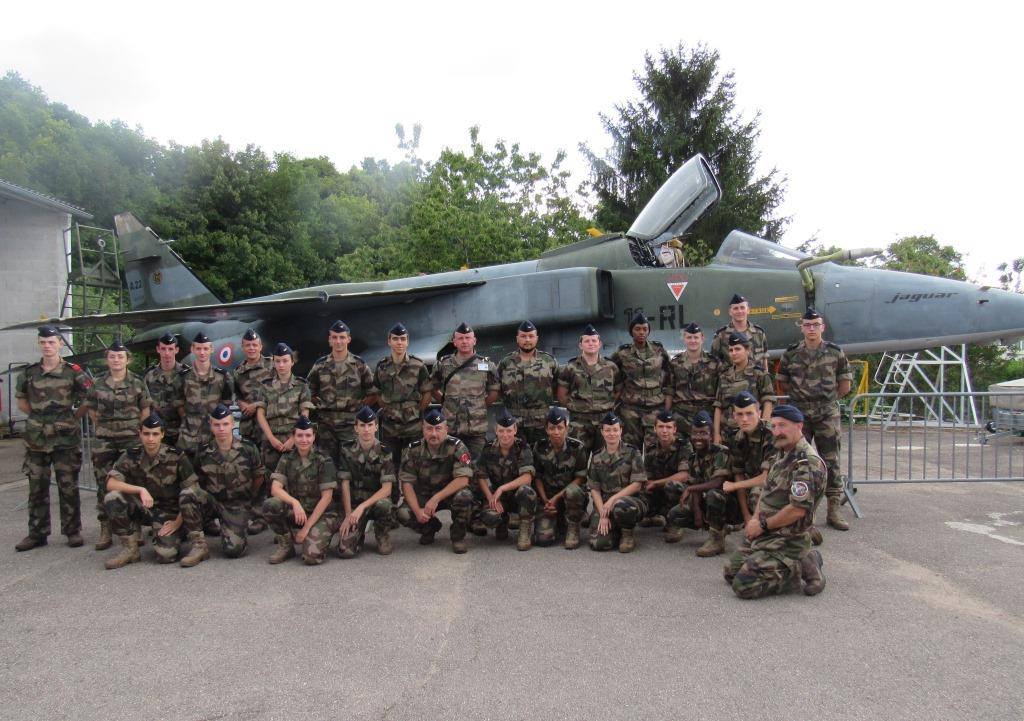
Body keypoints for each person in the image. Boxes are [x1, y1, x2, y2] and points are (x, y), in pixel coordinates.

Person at [724, 405, 827, 598]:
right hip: (768, 532)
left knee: (744, 586)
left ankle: (802, 565)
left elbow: (797, 510)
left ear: (799, 426)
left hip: (789, 538)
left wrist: (762, 525)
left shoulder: (806, 463)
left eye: (782, 426)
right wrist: (754, 519)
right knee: (730, 573)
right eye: (774, 426)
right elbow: (766, 489)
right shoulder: (781, 453)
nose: (777, 432)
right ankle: (787, 563)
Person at [14, 325, 92, 551]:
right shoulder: (29, 373)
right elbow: (22, 403)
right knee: (37, 486)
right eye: (43, 342)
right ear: (39, 344)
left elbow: (89, 397)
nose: (47, 346)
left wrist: (72, 417)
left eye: (52, 342)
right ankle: (37, 533)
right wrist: (40, 419)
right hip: (36, 438)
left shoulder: (73, 371)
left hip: (65, 437)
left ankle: (72, 530)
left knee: (68, 485)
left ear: (59, 343)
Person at [777, 308, 854, 532]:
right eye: (807, 325)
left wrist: (825, 402)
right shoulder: (791, 353)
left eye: (815, 325)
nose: (811, 329)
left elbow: (845, 385)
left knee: (831, 461)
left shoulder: (835, 352)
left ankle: (833, 510)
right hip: (799, 414)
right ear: (801, 327)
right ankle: (791, 508)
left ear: (822, 327)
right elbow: (782, 383)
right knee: (795, 460)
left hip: (826, 413)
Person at [102, 413, 206, 569]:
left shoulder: (176, 457)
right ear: (140, 434)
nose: (150, 438)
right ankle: (130, 549)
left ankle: (180, 535)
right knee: (113, 497)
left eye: (155, 434)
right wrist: (140, 490)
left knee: (166, 556)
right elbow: (110, 483)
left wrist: (178, 522)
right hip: (143, 508)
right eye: (146, 434)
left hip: (168, 514)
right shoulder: (131, 455)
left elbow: (192, 490)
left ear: (162, 435)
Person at [83, 339, 152, 551]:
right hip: (105, 441)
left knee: (133, 480)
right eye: (112, 356)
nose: (116, 360)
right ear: (107, 359)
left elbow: (145, 411)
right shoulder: (98, 384)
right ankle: (106, 527)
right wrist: (106, 429)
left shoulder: (138, 383)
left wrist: (135, 431)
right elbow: (92, 411)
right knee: (104, 483)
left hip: (131, 439)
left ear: (127, 359)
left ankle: (135, 526)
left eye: (120, 356)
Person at [180, 404, 265, 561]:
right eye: (217, 425)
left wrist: (248, 499)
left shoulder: (248, 448)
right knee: (188, 494)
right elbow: (197, 479)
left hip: (236, 505)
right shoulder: (204, 451)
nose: (221, 428)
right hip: (213, 501)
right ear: (211, 426)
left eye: (225, 424)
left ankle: (233, 528)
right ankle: (199, 546)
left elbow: (258, 476)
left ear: (233, 424)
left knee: (233, 550)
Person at [251, 342, 313, 533]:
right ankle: (273, 522)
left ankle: (298, 517)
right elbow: (260, 413)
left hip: (294, 439)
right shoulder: (266, 386)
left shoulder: (301, 386)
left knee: (297, 479)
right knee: (272, 481)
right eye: (278, 361)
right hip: (272, 440)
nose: (281, 365)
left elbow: (304, 414)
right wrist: (271, 438)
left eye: (285, 361)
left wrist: (293, 439)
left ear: (292, 362)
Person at [395, 407, 475, 554]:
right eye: (429, 429)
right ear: (423, 429)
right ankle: (429, 527)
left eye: (438, 429)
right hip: (424, 494)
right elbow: (406, 483)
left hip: (449, 493)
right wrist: (417, 511)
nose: (433, 434)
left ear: (446, 429)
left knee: (465, 496)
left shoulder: (457, 446)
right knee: (403, 513)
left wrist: (436, 498)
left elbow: (463, 480)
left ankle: (457, 537)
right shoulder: (413, 450)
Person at [262, 416, 339, 566]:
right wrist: (294, 502)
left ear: (314, 437)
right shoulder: (287, 458)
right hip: (298, 511)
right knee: (271, 505)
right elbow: (275, 489)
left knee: (311, 557)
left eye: (308, 435)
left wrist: (306, 528)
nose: (304, 439)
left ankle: (314, 534)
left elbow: (327, 498)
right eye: (300, 435)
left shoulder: (324, 460)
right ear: (294, 437)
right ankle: (286, 544)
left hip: (321, 514)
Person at [307, 320, 377, 464]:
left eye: (342, 337)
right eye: (334, 337)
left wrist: (359, 409)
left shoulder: (359, 364)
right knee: (326, 463)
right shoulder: (320, 365)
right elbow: (308, 391)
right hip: (326, 426)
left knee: (352, 462)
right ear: (329, 340)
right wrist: (320, 404)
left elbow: (373, 392)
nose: (338, 341)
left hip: (350, 424)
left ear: (348, 339)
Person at [664, 410, 732, 556]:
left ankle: (718, 537)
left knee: (714, 494)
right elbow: (695, 484)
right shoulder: (694, 457)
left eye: (703, 433)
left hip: (726, 502)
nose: (698, 437)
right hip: (705, 498)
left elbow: (718, 482)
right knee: (674, 516)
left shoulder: (721, 452)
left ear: (712, 435)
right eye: (695, 433)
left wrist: (692, 489)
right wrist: (697, 513)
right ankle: (710, 525)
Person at [430, 322, 499, 461]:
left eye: (468, 338)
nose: (464, 341)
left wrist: (479, 405)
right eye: (460, 338)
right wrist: (445, 402)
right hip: (450, 428)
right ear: (454, 342)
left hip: (476, 429)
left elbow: (494, 392)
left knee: (476, 466)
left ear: (474, 341)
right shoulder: (443, 364)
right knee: (449, 465)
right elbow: (432, 387)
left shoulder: (486, 365)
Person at [372, 323, 431, 478]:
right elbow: (377, 392)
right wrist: (386, 409)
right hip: (390, 426)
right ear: (389, 341)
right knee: (391, 464)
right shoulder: (382, 366)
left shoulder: (418, 365)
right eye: (396, 339)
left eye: (402, 339)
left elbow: (427, 392)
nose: (399, 342)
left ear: (407, 341)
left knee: (415, 463)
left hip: (413, 425)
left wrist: (418, 411)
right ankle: (394, 498)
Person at [336, 406, 396, 558]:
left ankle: (382, 534)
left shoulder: (385, 451)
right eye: (362, 425)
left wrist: (362, 507)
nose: (366, 429)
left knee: (385, 505)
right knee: (345, 551)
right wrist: (349, 514)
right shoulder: (346, 449)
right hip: (355, 503)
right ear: (356, 428)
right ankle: (358, 534)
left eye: (370, 425)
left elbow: (387, 489)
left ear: (376, 427)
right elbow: (344, 483)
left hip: (375, 503)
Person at [476, 409, 537, 551]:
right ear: (495, 430)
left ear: (515, 430)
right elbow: (480, 476)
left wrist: (502, 488)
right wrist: (490, 497)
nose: (505, 435)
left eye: (509, 431)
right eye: (502, 431)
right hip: (499, 498)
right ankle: (501, 522)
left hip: (517, 497)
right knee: (488, 516)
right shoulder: (488, 449)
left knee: (526, 491)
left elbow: (527, 478)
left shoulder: (523, 448)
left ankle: (524, 529)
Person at [586, 412, 647, 553]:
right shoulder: (596, 457)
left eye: (615, 429)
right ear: (602, 432)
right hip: (605, 504)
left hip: (630, 502)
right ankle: (615, 531)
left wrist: (613, 500)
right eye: (607, 430)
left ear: (621, 430)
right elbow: (594, 488)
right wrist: (602, 512)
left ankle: (627, 534)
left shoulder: (632, 453)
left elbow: (637, 484)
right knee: (599, 544)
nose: (611, 433)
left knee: (621, 506)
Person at [556, 325, 622, 453]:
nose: (590, 344)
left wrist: (606, 405)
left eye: (594, 341)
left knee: (605, 457)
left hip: (605, 421)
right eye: (586, 341)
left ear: (599, 344)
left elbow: (618, 390)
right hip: (579, 422)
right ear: (580, 345)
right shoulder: (570, 368)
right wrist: (576, 407)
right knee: (578, 456)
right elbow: (561, 395)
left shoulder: (611, 367)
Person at [531, 407, 589, 549]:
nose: (556, 432)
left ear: (566, 428)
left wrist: (556, 498)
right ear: (547, 429)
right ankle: (557, 522)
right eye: (552, 428)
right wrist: (545, 500)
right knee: (543, 540)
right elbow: (537, 476)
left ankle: (573, 526)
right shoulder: (539, 447)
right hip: (547, 499)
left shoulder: (577, 448)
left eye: (559, 428)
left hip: (569, 497)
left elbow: (580, 478)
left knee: (573, 491)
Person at [611, 312, 670, 449]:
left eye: (645, 329)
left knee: (654, 449)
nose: (641, 332)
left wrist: (667, 401)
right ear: (631, 331)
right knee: (630, 449)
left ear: (649, 330)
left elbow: (669, 372)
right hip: (630, 410)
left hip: (655, 408)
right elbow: (609, 370)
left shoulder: (658, 350)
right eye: (637, 329)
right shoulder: (622, 353)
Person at [497, 320, 559, 447]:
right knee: (516, 459)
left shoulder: (549, 361)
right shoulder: (506, 363)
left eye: (531, 336)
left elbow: (558, 386)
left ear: (536, 338)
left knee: (542, 458)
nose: (527, 340)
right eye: (523, 336)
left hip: (541, 424)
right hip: (514, 424)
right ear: (517, 339)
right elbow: (498, 389)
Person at [721, 391, 777, 527]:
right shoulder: (736, 438)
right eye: (740, 414)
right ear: (734, 416)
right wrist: (746, 516)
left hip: (777, 484)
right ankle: (746, 521)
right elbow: (738, 474)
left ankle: (791, 528)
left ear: (759, 413)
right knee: (720, 493)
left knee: (756, 495)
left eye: (749, 413)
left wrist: (734, 486)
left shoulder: (770, 434)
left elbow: (765, 479)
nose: (744, 419)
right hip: (751, 483)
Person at [177, 332, 233, 461]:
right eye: (198, 349)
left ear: (211, 349)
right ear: (193, 349)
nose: (202, 353)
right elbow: (179, 404)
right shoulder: (183, 377)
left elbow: (226, 405)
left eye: (206, 348)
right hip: (189, 437)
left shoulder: (223, 377)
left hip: (215, 437)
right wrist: (189, 421)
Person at [713, 331, 774, 445]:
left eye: (737, 349)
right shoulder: (724, 376)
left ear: (747, 350)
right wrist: (716, 433)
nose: (733, 353)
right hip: (727, 435)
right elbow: (718, 407)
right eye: (731, 350)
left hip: (752, 435)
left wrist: (763, 429)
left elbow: (768, 402)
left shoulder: (759, 374)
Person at [640, 409, 692, 529]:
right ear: (654, 429)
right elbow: (648, 476)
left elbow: (684, 475)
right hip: (660, 490)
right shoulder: (652, 448)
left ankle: (676, 524)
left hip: (680, 492)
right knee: (640, 488)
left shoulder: (684, 446)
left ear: (674, 429)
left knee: (672, 486)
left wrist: (656, 483)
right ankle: (655, 515)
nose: (664, 431)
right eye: (661, 427)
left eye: (668, 427)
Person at [665, 322, 719, 434]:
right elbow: (670, 391)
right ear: (684, 339)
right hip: (681, 417)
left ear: (702, 338)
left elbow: (719, 394)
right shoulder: (675, 363)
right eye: (689, 337)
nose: (693, 340)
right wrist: (666, 416)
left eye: (696, 337)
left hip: (706, 416)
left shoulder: (714, 363)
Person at [143, 332, 186, 448]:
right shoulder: (149, 376)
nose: (167, 353)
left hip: (182, 434)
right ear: (158, 349)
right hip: (157, 435)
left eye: (170, 349)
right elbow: (145, 406)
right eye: (163, 349)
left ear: (176, 350)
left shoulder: (186, 375)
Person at [233, 328, 273, 446]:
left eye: (254, 345)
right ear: (243, 348)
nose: (251, 348)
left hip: (270, 424)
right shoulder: (238, 372)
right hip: (249, 427)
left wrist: (255, 405)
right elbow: (237, 395)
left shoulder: (272, 365)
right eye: (248, 345)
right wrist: (241, 404)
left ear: (260, 346)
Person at [710, 294, 769, 371]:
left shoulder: (759, 333)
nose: (739, 311)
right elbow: (714, 361)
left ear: (748, 310)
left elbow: (764, 358)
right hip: (732, 381)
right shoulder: (721, 335)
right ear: (730, 312)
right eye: (736, 308)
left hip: (757, 380)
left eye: (742, 307)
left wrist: (766, 376)